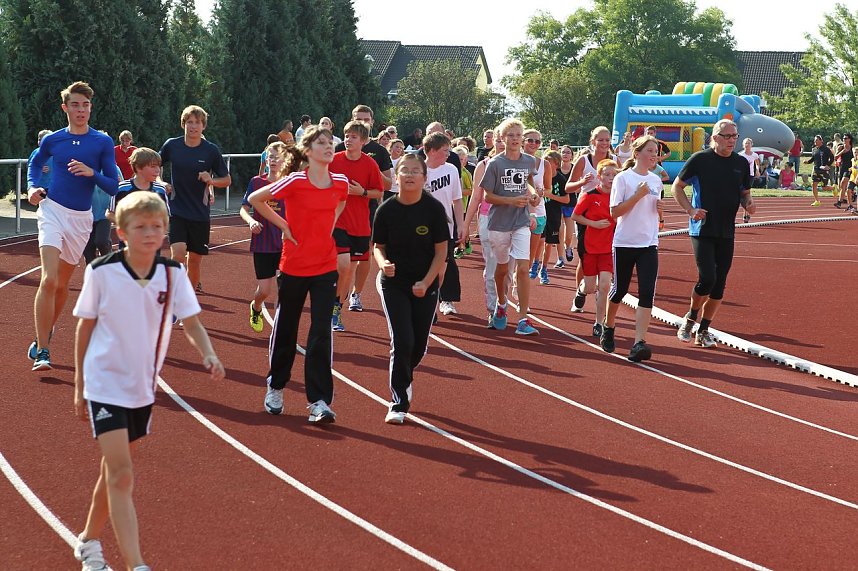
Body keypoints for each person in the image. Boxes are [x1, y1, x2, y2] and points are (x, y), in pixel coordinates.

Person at [72, 191, 224, 571]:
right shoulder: (101, 272)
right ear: (122, 232)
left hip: (142, 388)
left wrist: (208, 353)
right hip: (104, 382)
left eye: (157, 226)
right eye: (141, 227)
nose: (150, 233)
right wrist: (79, 384)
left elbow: (192, 322)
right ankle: (136, 564)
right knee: (123, 474)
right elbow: (84, 327)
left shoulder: (173, 274)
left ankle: (88, 541)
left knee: (113, 474)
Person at [249, 126, 348, 423]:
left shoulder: (340, 182)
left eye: (330, 143)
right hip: (294, 265)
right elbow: (256, 199)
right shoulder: (295, 180)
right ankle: (276, 386)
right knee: (286, 328)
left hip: (325, 265)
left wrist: (329, 226)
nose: (328, 147)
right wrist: (284, 225)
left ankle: (319, 401)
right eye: (321, 143)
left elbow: (341, 202)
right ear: (308, 151)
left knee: (321, 332)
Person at [26, 81, 120, 371]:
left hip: (81, 218)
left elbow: (113, 184)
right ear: (65, 108)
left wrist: (92, 173)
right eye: (76, 105)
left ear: (91, 108)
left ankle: (44, 332)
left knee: (63, 284)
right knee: (49, 279)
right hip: (52, 210)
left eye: (86, 105)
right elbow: (34, 165)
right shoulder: (53, 140)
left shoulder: (102, 142)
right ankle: (43, 350)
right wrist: (32, 187)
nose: (81, 110)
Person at [373, 154, 448, 424]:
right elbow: (378, 247)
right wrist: (383, 264)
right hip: (394, 284)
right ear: (396, 176)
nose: (409, 175)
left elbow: (441, 252)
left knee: (417, 346)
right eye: (404, 170)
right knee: (402, 341)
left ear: (424, 178)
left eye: (416, 171)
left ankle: (405, 371)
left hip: (425, 284)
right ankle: (398, 402)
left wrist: (426, 282)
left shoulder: (434, 209)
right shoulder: (386, 210)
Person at [672, 119, 755, 348]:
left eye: (735, 136)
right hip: (702, 229)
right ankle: (691, 318)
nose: (732, 140)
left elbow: (745, 192)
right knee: (708, 278)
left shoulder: (740, 163)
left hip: (727, 230)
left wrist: (748, 203)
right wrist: (690, 210)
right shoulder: (700, 160)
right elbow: (677, 186)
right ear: (715, 137)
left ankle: (704, 329)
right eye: (727, 136)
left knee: (719, 285)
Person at [599, 136, 664, 362]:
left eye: (656, 151)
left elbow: (656, 216)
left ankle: (639, 342)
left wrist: (660, 210)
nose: (654, 155)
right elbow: (615, 212)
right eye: (650, 150)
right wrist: (638, 196)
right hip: (625, 242)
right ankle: (608, 326)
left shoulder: (656, 180)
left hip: (649, 243)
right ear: (637, 153)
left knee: (647, 292)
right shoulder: (623, 178)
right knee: (620, 290)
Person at [159, 105, 231, 294]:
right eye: (189, 122)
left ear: (203, 126)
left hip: (200, 213)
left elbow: (227, 180)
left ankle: (188, 302)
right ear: (183, 124)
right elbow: (154, 164)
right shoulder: (172, 145)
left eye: (197, 122)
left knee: (194, 261)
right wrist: (161, 182)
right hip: (177, 209)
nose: (193, 126)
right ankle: (174, 295)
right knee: (178, 254)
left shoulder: (211, 150)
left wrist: (211, 180)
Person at [480, 118, 541, 335]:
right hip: (499, 223)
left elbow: (529, 182)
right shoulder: (495, 164)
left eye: (518, 135)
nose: (515, 139)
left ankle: (523, 319)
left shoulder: (529, 161)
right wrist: (510, 201)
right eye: (511, 135)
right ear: (503, 138)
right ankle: (502, 303)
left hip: (521, 221)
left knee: (523, 269)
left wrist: (533, 196)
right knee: (503, 269)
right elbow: (487, 196)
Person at [335, 105, 393, 313]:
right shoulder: (337, 151)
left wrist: (364, 188)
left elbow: (387, 185)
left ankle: (355, 294)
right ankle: (336, 304)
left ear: (372, 122)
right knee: (344, 263)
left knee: (362, 257)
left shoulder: (378, 153)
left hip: (366, 213)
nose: (362, 122)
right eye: (358, 118)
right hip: (339, 215)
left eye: (366, 119)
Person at [240, 142, 301, 333]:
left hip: (285, 244)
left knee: (285, 289)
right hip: (263, 243)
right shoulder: (256, 182)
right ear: (266, 160)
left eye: (277, 157)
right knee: (264, 290)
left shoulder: (290, 182)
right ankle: (256, 306)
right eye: (270, 157)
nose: (273, 160)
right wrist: (251, 221)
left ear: (285, 160)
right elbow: (244, 208)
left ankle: (281, 326)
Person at [330, 120, 384, 330]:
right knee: (343, 265)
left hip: (360, 225)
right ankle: (331, 304)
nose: (348, 140)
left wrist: (362, 192)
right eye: (346, 136)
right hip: (337, 221)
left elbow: (379, 192)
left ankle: (336, 308)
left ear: (363, 141)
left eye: (353, 137)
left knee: (348, 270)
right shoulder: (334, 160)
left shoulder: (370, 164)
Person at [566, 126, 616, 313]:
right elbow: (568, 187)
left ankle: (601, 295)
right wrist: (582, 182)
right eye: (600, 140)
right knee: (585, 256)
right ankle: (581, 292)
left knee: (607, 254)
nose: (604, 143)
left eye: (607, 140)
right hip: (587, 212)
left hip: (609, 211)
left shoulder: (614, 160)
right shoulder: (584, 160)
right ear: (593, 141)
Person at [571, 159, 617, 339]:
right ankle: (581, 291)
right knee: (590, 287)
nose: (611, 178)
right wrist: (593, 223)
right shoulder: (590, 195)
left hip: (609, 248)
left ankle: (599, 323)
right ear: (599, 176)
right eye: (607, 174)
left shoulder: (618, 197)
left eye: (614, 175)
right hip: (590, 247)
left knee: (604, 285)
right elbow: (575, 216)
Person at [422, 132, 464, 317]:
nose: (449, 154)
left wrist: (461, 225)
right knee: (422, 266)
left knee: (443, 268)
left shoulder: (451, 170)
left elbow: (457, 199)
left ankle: (442, 299)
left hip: (444, 228)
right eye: (445, 150)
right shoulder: (418, 169)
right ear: (432, 150)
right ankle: (425, 304)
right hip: (421, 228)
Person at [540, 150, 570, 275]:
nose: (546, 164)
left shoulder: (560, 179)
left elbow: (566, 199)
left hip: (554, 214)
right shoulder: (539, 176)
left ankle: (544, 268)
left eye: (549, 162)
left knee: (548, 243)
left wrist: (550, 195)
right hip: (539, 213)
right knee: (538, 241)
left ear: (556, 164)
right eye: (545, 161)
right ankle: (534, 263)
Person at [82, 183, 113, 264]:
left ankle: (109, 263)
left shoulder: (110, 173)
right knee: (88, 250)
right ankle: (93, 269)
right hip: (85, 215)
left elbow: (118, 187)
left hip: (104, 214)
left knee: (102, 241)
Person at [805, 134, 834, 206]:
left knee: (824, 187)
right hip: (816, 170)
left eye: (816, 140)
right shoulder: (814, 149)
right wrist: (807, 162)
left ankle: (833, 188)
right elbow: (813, 158)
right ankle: (817, 201)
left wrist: (827, 165)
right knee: (814, 184)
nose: (815, 142)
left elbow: (832, 158)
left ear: (821, 141)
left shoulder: (826, 149)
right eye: (814, 141)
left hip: (823, 171)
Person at [834, 133, 854, 209]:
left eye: (845, 138)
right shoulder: (841, 147)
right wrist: (842, 151)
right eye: (843, 138)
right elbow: (835, 157)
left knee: (843, 182)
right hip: (842, 168)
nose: (844, 140)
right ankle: (851, 195)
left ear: (849, 139)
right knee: (842, 186)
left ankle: (840, 201)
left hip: (849, 168)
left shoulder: (852, 149)